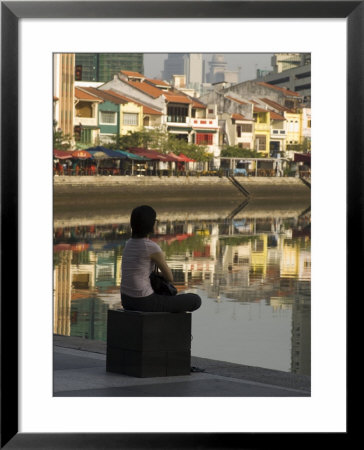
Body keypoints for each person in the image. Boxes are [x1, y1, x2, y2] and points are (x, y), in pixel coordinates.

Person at [120, 205, 201, 313]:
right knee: (195, 300)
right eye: (155, 220)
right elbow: (170, 277)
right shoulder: (151, 247)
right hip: (145, 301)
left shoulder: (128, 243)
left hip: (126, 300)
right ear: (150, 224)